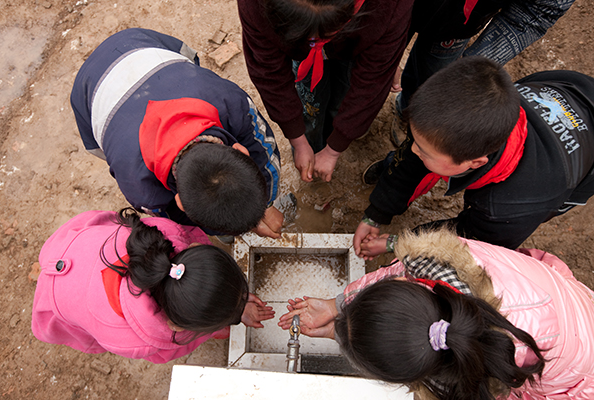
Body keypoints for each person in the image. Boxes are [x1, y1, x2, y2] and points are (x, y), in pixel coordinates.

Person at [278, 229, 594, 399]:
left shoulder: (500, 368)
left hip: (577, 377)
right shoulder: (443, 263)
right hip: (558, 296)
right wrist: (338, 310)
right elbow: (395, 275)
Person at [354, 56, 594, 255]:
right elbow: (412, 157)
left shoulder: (508, 210)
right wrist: (376, 215)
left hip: (573, 164)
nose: (413, 150)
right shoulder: (469, 112)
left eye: (424, 151)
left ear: (475, 163)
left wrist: (396, 244)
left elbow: (467, 242)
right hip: (567, 87)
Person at [70, 28, 283, 238]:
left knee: (192, 66)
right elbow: (175, 225)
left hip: (138, 45)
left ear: (240, 150)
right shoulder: (139, 188)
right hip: (89, 90)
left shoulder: (233, 103)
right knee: (106, 147)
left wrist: (267, 203)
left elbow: (264, 151)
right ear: (179, 202)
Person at [31, 209, 275, 363]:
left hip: (76, 244)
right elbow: (172, 346)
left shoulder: (163, 233)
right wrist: (222, 321)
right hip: (59, 296)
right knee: (89, 326)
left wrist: (233, 303)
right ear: (176, 326)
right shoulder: (136, 341)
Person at [237, 0, 413, 182]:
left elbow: (371, 83)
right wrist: (298, 140)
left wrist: (335, 148)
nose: (316, 41)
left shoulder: (390, 6)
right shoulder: (254, 6)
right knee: (311, 104)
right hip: (302, 51)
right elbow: (269, 73)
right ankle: (313, 143)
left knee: (344, 93)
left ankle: (332, 132)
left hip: (356, 44)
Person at [392, 0, 575, 123]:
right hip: (394, 8)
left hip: (457, 27)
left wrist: (470, 71)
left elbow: (537, 11)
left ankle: (408, 111)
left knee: (433, 83)